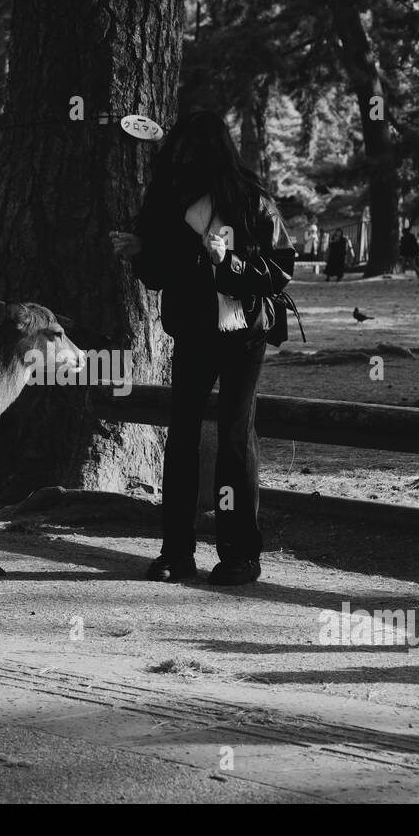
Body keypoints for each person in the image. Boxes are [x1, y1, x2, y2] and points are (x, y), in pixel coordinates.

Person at [109, 110, 297, 587]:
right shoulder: (169, 200)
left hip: (245, 335)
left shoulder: (253, 201)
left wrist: (228, 263)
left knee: (235, 439)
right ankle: (176, 550)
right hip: (192, 333)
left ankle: (240, 554)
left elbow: (279, 271)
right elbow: (159, 274)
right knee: (182, 439)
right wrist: (139, 252)